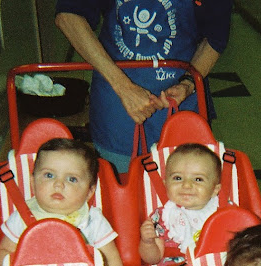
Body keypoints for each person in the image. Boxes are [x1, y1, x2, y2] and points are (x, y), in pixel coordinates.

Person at [55, 0, 233, 175]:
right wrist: (124, 87)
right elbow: (68, 16)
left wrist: (188, 83)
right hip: (118, 106)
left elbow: (216, 35)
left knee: (186, 191)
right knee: (122, 188)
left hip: (183, 104)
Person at [0, 138, 123, 266]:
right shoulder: (22, 216)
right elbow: (5, 250)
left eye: (72, 179)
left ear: (90, 192)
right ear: (33, 182)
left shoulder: (92, 219)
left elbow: (112, 259)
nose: (58, 184)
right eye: (49, 175)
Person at [138, 143, 222, 266]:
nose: (186, 185)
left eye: (198, 179)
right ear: (166, 184)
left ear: (215, 189)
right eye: (178, 178)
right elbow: (153, 259)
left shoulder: (223, 211)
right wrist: (147, 242)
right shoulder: (162, 218)